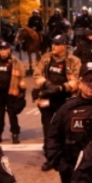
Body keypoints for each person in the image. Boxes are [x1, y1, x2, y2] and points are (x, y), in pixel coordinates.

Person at [33, 35, 82, 171]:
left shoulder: (74, 60)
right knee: (48, 128)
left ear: (64, 46)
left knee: (66, 128)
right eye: (53, 44)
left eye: (57, 44)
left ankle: (67, 156)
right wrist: (46, 84)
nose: (53, 46)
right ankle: (50, 158)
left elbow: (77, 80)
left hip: (65, 98)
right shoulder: (46, 58)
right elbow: (37, 74)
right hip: (48, 97)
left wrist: (61, 88)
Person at [0, 42, 27, 144]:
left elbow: (21, 77)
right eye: (1, 49)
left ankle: (15, 134)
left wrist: (22, 91)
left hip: (11, 92)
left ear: (9, 50)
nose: (3, 51)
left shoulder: (15, 62)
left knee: (12, 114)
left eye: (5, 49)